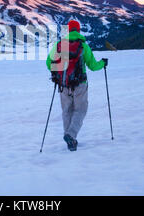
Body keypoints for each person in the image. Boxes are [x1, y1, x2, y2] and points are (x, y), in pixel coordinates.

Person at [46, 20, 108, 151]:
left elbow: (48, 63)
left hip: (63, 84)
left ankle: (70, 139)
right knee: (80, 110)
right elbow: (93, 66)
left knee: (67, 110)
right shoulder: (83, 46)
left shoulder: (59, 45)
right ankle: (71, 135)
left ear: (68, 31)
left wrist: (60, 72)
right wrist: (103, 63)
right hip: (80, 84)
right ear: (78, 31)